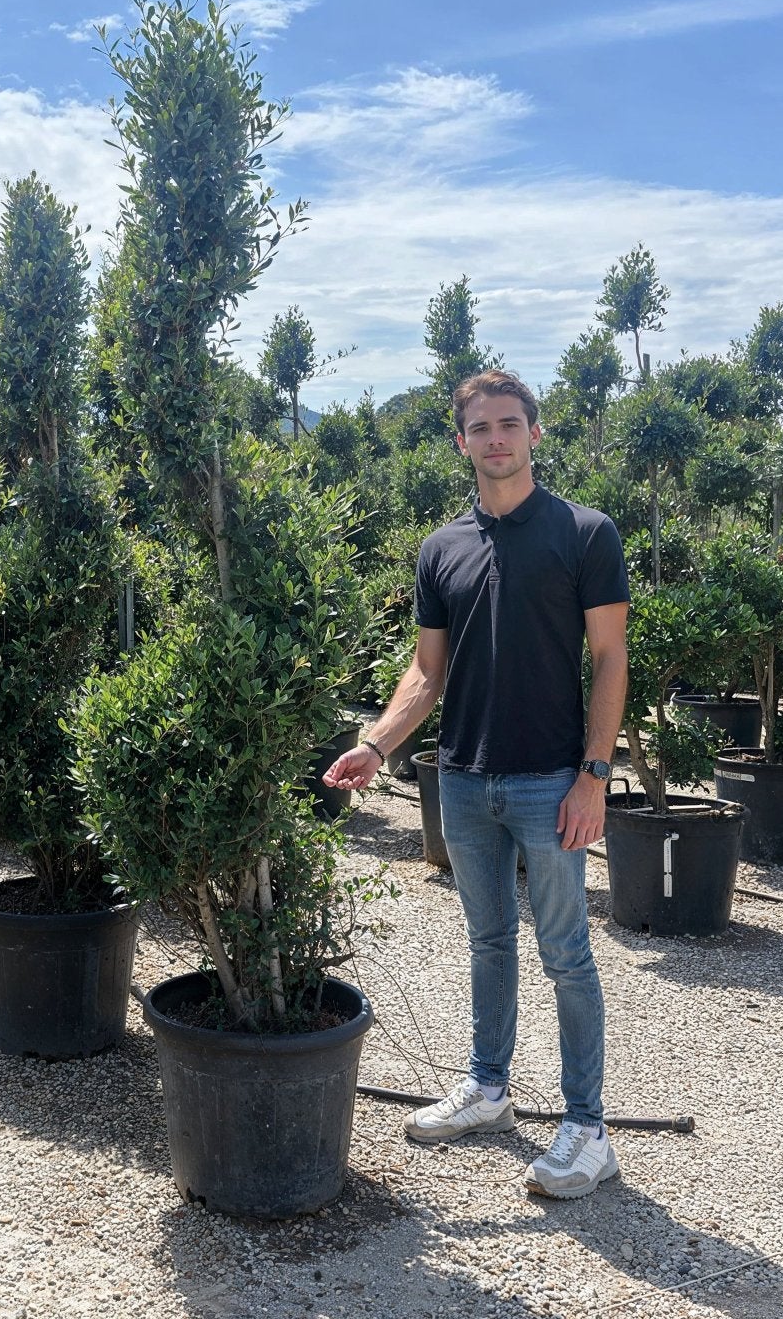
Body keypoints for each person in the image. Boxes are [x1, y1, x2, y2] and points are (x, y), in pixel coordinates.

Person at [325, 369, 629, 1199]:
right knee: (488, 943)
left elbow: (609, 658)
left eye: (509, 423)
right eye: (480, 428)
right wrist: (377, 746)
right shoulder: (441, 549)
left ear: (535, 432)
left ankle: (587, 1129)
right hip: (462, 781)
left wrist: (595, 775)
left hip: (551, 780)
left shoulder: (584, 533)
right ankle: (488, 1089)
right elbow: (427, 673)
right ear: (461, 442)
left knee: (566, 953)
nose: (496, 439)